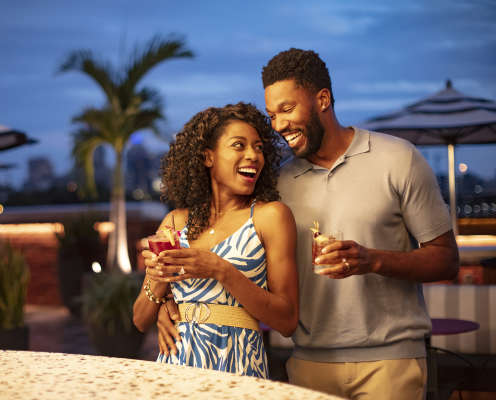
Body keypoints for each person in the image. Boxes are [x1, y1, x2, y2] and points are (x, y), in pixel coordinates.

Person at [157, 50, 459, 399]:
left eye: (287, 109)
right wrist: (170, 303)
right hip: (305, 365)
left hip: (389, 362)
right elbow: (229, 247)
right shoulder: (275, 186)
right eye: (272, 115)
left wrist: (372, 260)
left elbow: (446, 259)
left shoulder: (398, 159)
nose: (278, 125)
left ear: (323, 99)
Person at [132, 102, 299, 379]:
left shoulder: (270, 217)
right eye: (239, 145)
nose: (253, 156)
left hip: (237, 367)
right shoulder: (175, 222)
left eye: (258, 147)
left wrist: (220, 269)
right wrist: (160, 282)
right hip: (175, 367)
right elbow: (139, 320)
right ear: (208, 157)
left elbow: (287, 320)